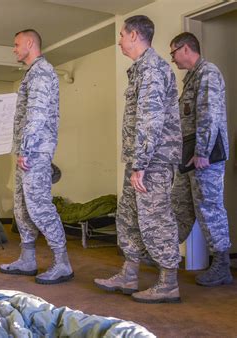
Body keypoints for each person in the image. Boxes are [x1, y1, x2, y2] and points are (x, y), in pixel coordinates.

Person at [94, 15, 182, 303]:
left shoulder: (154, 70)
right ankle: (129, 274)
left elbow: (150, 120)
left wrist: (141, 164)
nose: (119, 40)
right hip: (139, 161)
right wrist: (135, 162)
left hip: (152, 162)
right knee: (129, 217)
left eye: (121, 34)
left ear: (134, 35)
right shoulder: (139, 70)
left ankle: (168, 283)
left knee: (156, 220)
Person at [0, 29, 74, 284]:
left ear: (30, 43)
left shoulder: (42, 72)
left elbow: (38, 114)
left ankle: (62, 263)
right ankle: (27, 259)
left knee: (39, 207)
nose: (14, 49)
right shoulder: (31, 74)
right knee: (22, 207)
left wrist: (27, 149)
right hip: (27, 151)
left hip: (35, 152)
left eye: (16, 44)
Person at [169, 32, 232, 287]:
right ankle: (166, 254)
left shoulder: (208, 73)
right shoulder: (193, 77)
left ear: (186, 49)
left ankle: (222, 264)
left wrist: (203, 152)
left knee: (209, 207)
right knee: (180, 205)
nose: (172, 58)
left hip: (205, 156)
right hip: (189, 155)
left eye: (173, 52)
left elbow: (209, 115)